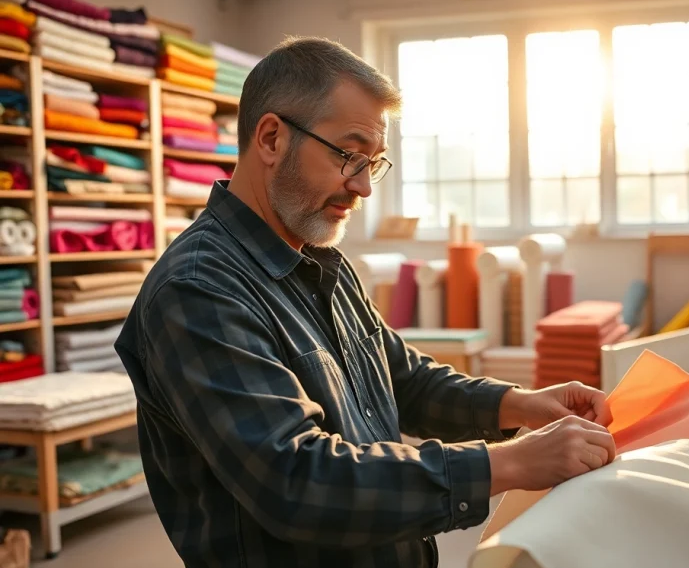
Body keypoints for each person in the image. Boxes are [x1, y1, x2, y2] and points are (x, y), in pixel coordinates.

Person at [115, 36, 617, 568]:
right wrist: (508, 464)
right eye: (349, 156)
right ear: (270, 139)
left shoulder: (318, 258)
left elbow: (402, 378)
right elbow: (295, 480)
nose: (363, 188)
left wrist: (519, 405)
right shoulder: (199, 289)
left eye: (372, 164)